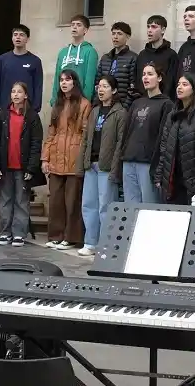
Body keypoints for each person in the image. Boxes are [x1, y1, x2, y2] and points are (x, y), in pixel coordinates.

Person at [77, 75, 126, 256]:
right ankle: (90, 242)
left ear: (113, 90)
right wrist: (82, 164)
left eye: (105, 86)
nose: (101, 89)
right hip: (92, 163)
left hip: (107, 166)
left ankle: (106, 244)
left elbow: (121, 143)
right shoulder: (95, 111)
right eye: (99, 86)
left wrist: (115, 168)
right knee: (88, 204)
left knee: (106, 206)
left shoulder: (120, 113)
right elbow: (86, 138)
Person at [0, 82, 43, 247]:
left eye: (19, 92)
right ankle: (5, 232)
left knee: (21, 200)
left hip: (23, 166)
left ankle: (19, 233)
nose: (15, 94)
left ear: (25, 95)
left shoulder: (32, 117)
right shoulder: (3, 115)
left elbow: (36, 143)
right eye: (13, 91)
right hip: (5, 166)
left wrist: (32, 167)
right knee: (5, 200)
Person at [43, 70, 90, 251]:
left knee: (73, 201)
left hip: (74, 157)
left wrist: (82, 158)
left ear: (74, 83)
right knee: (55, 200)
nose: (64, 83)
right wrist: (45, 158)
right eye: (61, 80)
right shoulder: (58, 104)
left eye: (68, 80)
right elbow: (51, 133)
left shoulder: (84, 104)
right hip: (56, 157)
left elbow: (86, 135)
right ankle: (56, 235)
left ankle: (71, 237)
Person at [152, 73, 195, 205]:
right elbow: (164, 148)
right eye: (178, 84)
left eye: (185, 84)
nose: (179, 87)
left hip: (193, 183)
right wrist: (160, 175)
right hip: (172, 180)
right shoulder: (173, 114)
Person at [118, 63, 175, 204]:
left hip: (148, 163)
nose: (145, 77)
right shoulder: (137, 103)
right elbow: (126, 133)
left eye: (150, 74)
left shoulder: (166, 104)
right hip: (129, 160)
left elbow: (165, 137)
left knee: (149, 208)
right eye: (143, 74)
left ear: (159, 78)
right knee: (131, 208)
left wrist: (159, 167)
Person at [0, 24, 43, 114]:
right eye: (15, 34)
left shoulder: (35, 61)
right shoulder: (3, 59)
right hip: (5, 109)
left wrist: (35, 109)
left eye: (21, 35)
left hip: (26, 110)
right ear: (12, 38)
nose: (18, 37)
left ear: (27, 39)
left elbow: (38, 86)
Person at [51, 15, 99, 106]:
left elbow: (90, 80)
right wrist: (54, 100)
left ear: (85, 30)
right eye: (72, 25)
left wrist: (85, 101)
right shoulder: (63, 52)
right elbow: (57, 78)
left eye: (79, 25)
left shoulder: (90, 52)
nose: (75, 27)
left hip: (79, 102)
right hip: (62, 102)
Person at [95, 22, 139, 107]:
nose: (115, 37)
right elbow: (97, 83)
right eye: (113, 33)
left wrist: (125, 107)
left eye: (119, 34)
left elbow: (133, 87)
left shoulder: (133, 58)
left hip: (122, 105)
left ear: (127, 36)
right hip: (103, 105)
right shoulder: (105, 58)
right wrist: (96, 104)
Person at [137, 15, 179, 99]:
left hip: (164, 102)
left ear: (163, 30)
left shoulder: (171, 55)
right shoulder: (142, 55)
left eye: (154, 27)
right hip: (143, 102)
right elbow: (138, 80)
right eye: (148, 27)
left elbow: (172, 83)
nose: (149, 30)